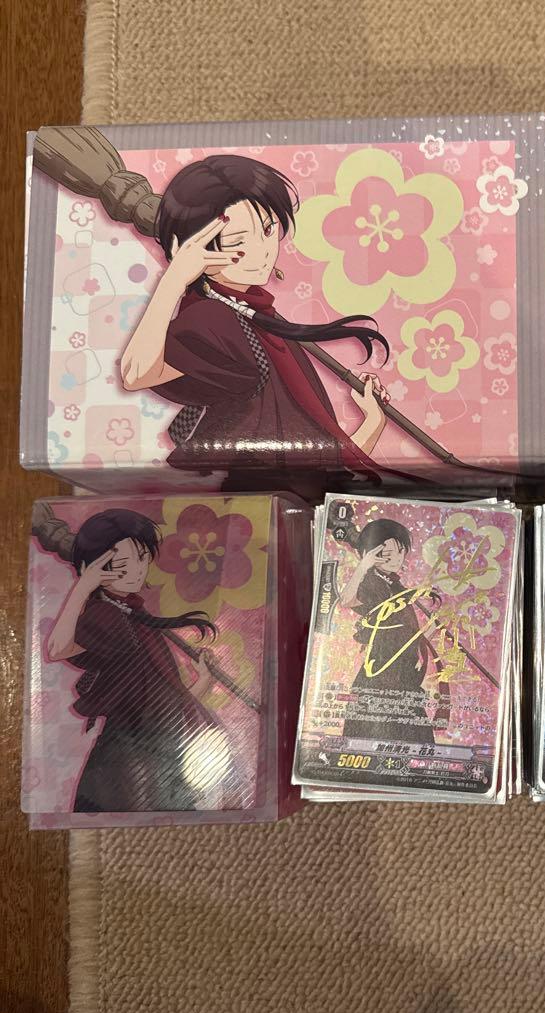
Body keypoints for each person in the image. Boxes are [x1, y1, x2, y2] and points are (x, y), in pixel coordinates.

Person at [119, 155, 395, 489]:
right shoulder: (212, 320)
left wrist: (373, 421)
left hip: (280, 494)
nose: (261, 252)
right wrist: (174, 278)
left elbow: (318, 464)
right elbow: (136, 374)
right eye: (237, 242)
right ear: (185, 248)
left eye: (267, 230)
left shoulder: (256, 316)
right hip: (245, 499)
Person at [46, 509, 229, 812]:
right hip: (129, 761)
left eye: (142, 558)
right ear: (94, 568)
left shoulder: (134, 616)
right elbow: (57, 649)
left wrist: (203, 682)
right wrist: (82, 587)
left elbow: (163, 705)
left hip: (161, 753)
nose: (137, 571)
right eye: (122, 563)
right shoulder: (104, 615)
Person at [339, 518, 443, 744]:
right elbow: (346, 600)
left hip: (403, 675)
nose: (395, 559)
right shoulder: (370, 583)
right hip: (379, 677)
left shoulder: (396, 588)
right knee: (373, 741)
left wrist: (428, 633)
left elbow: (404, 637)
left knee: (416, 741)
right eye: (386, 553)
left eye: (400, 552)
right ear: (370, 553)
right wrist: (363, 566)